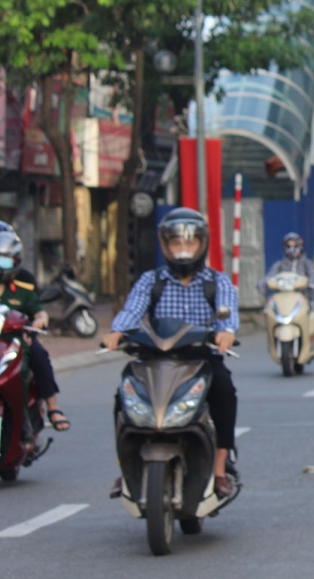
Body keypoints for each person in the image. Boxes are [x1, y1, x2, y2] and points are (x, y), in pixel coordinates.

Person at [103, 208, 239, 498]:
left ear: (202, 244)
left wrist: (226, 332)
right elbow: (133, 310)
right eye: (176, 243)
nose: (182, 250)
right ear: (165, 245)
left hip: (201, 359)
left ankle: (219, 469)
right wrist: (117, 332)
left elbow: (227, 313)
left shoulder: (217, 282)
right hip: (155, 359)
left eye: (189, 243)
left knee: (225, 391)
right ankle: (125, 469)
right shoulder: (151, 280)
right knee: (123, 397)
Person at [0, 230, 70, 431]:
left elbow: (39, 312)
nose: (0, 267)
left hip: (15, 342)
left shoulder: (24, 288)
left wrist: (40, 320)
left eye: (5, 262)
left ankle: (43, 411)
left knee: (37, 358)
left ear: (15, 261)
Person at [258, 232, 314, 302]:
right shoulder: (280, 264)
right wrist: (264, 282)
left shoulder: (306, 263)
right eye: (288, 246)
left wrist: (312, 281)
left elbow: (312, 274)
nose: (291, 249)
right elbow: (270, 275)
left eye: (295, 246)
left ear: (300, 246)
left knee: (312, 311)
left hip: (303, 297)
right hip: (283, 298)